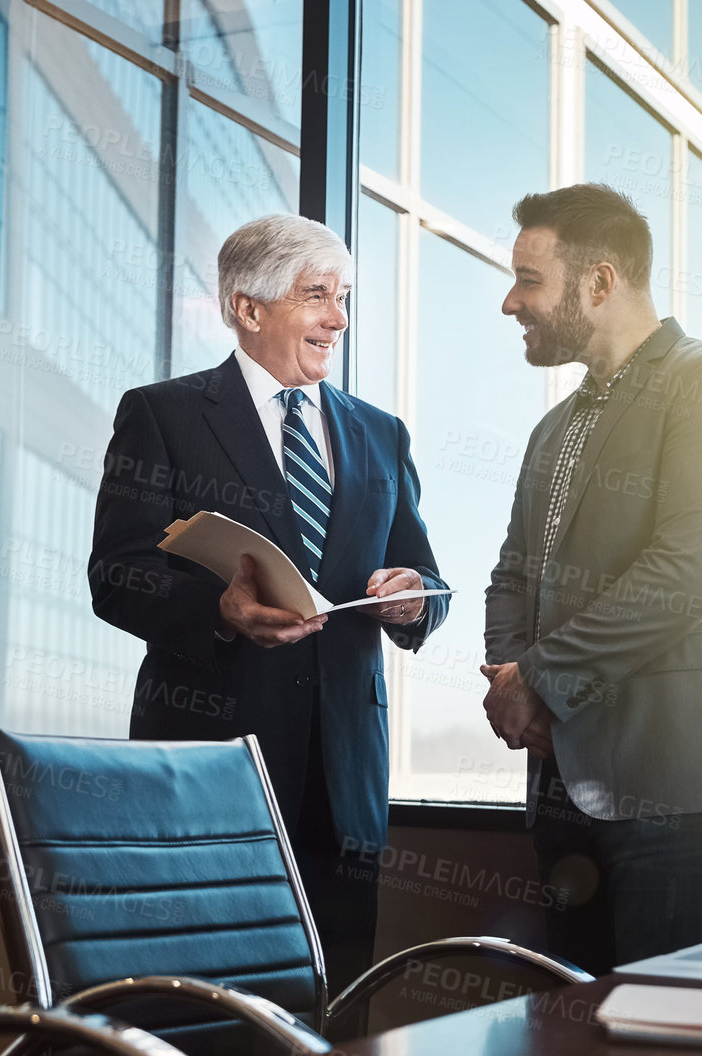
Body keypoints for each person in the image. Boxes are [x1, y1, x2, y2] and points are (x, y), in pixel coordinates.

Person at [88, 213, 449, 998]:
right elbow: (117, 574)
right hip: (209, 761)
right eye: (317, 296)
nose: (339, 319)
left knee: (336, 1006)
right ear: (247, 309)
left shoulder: (380, 434)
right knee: (203, 1002)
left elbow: (425, 575)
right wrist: (223, 611)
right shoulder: (162, 415)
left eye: (344, 297)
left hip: (345, 773)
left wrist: (413, 601)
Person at [482, 183, 702, 975]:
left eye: (528, 278)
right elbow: (512, 572)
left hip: (687, 801)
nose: (510, 302)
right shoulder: (554, 427)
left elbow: (685, 575)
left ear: (600, 282)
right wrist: (511, 683)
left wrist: (539, 680)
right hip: (563, 796)